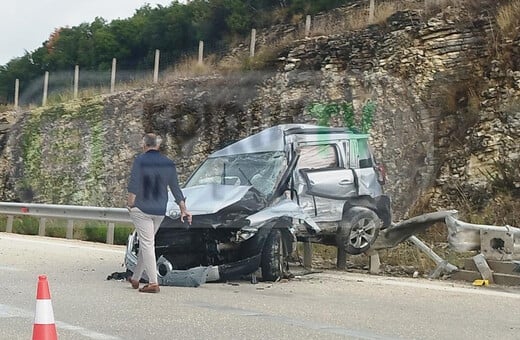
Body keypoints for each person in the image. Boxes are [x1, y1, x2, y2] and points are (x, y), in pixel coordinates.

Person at [126, 133, 192, 293]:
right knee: (146, 242)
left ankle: (153, 282)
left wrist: (130, 203)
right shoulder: (168, 163)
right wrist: (183, 208)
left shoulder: (140, 160)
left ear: (144, 145)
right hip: (160, 209)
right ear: (158, 145)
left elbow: (134, 183)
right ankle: (135, 278)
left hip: (142, 208)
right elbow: (175, 187)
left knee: (147, 243)